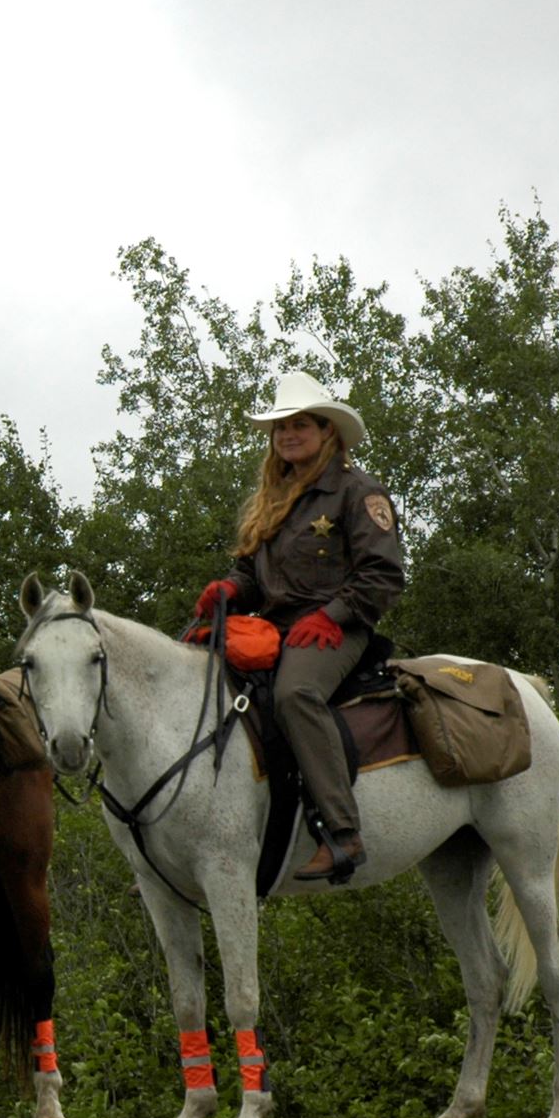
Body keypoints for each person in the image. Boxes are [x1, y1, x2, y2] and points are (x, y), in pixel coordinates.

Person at [194, 373, 407, 882]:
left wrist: (332, 615)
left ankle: (342, 833)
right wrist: (229, 589)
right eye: (281, 427)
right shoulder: (275, 494)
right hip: (275, 628)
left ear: (326, 431)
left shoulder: (358, 491)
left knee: (295, 695)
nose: (288, 434)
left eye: (300, 425)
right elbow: (251, 573)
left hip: (337, 629)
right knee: (199, 674)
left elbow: (383, 575)